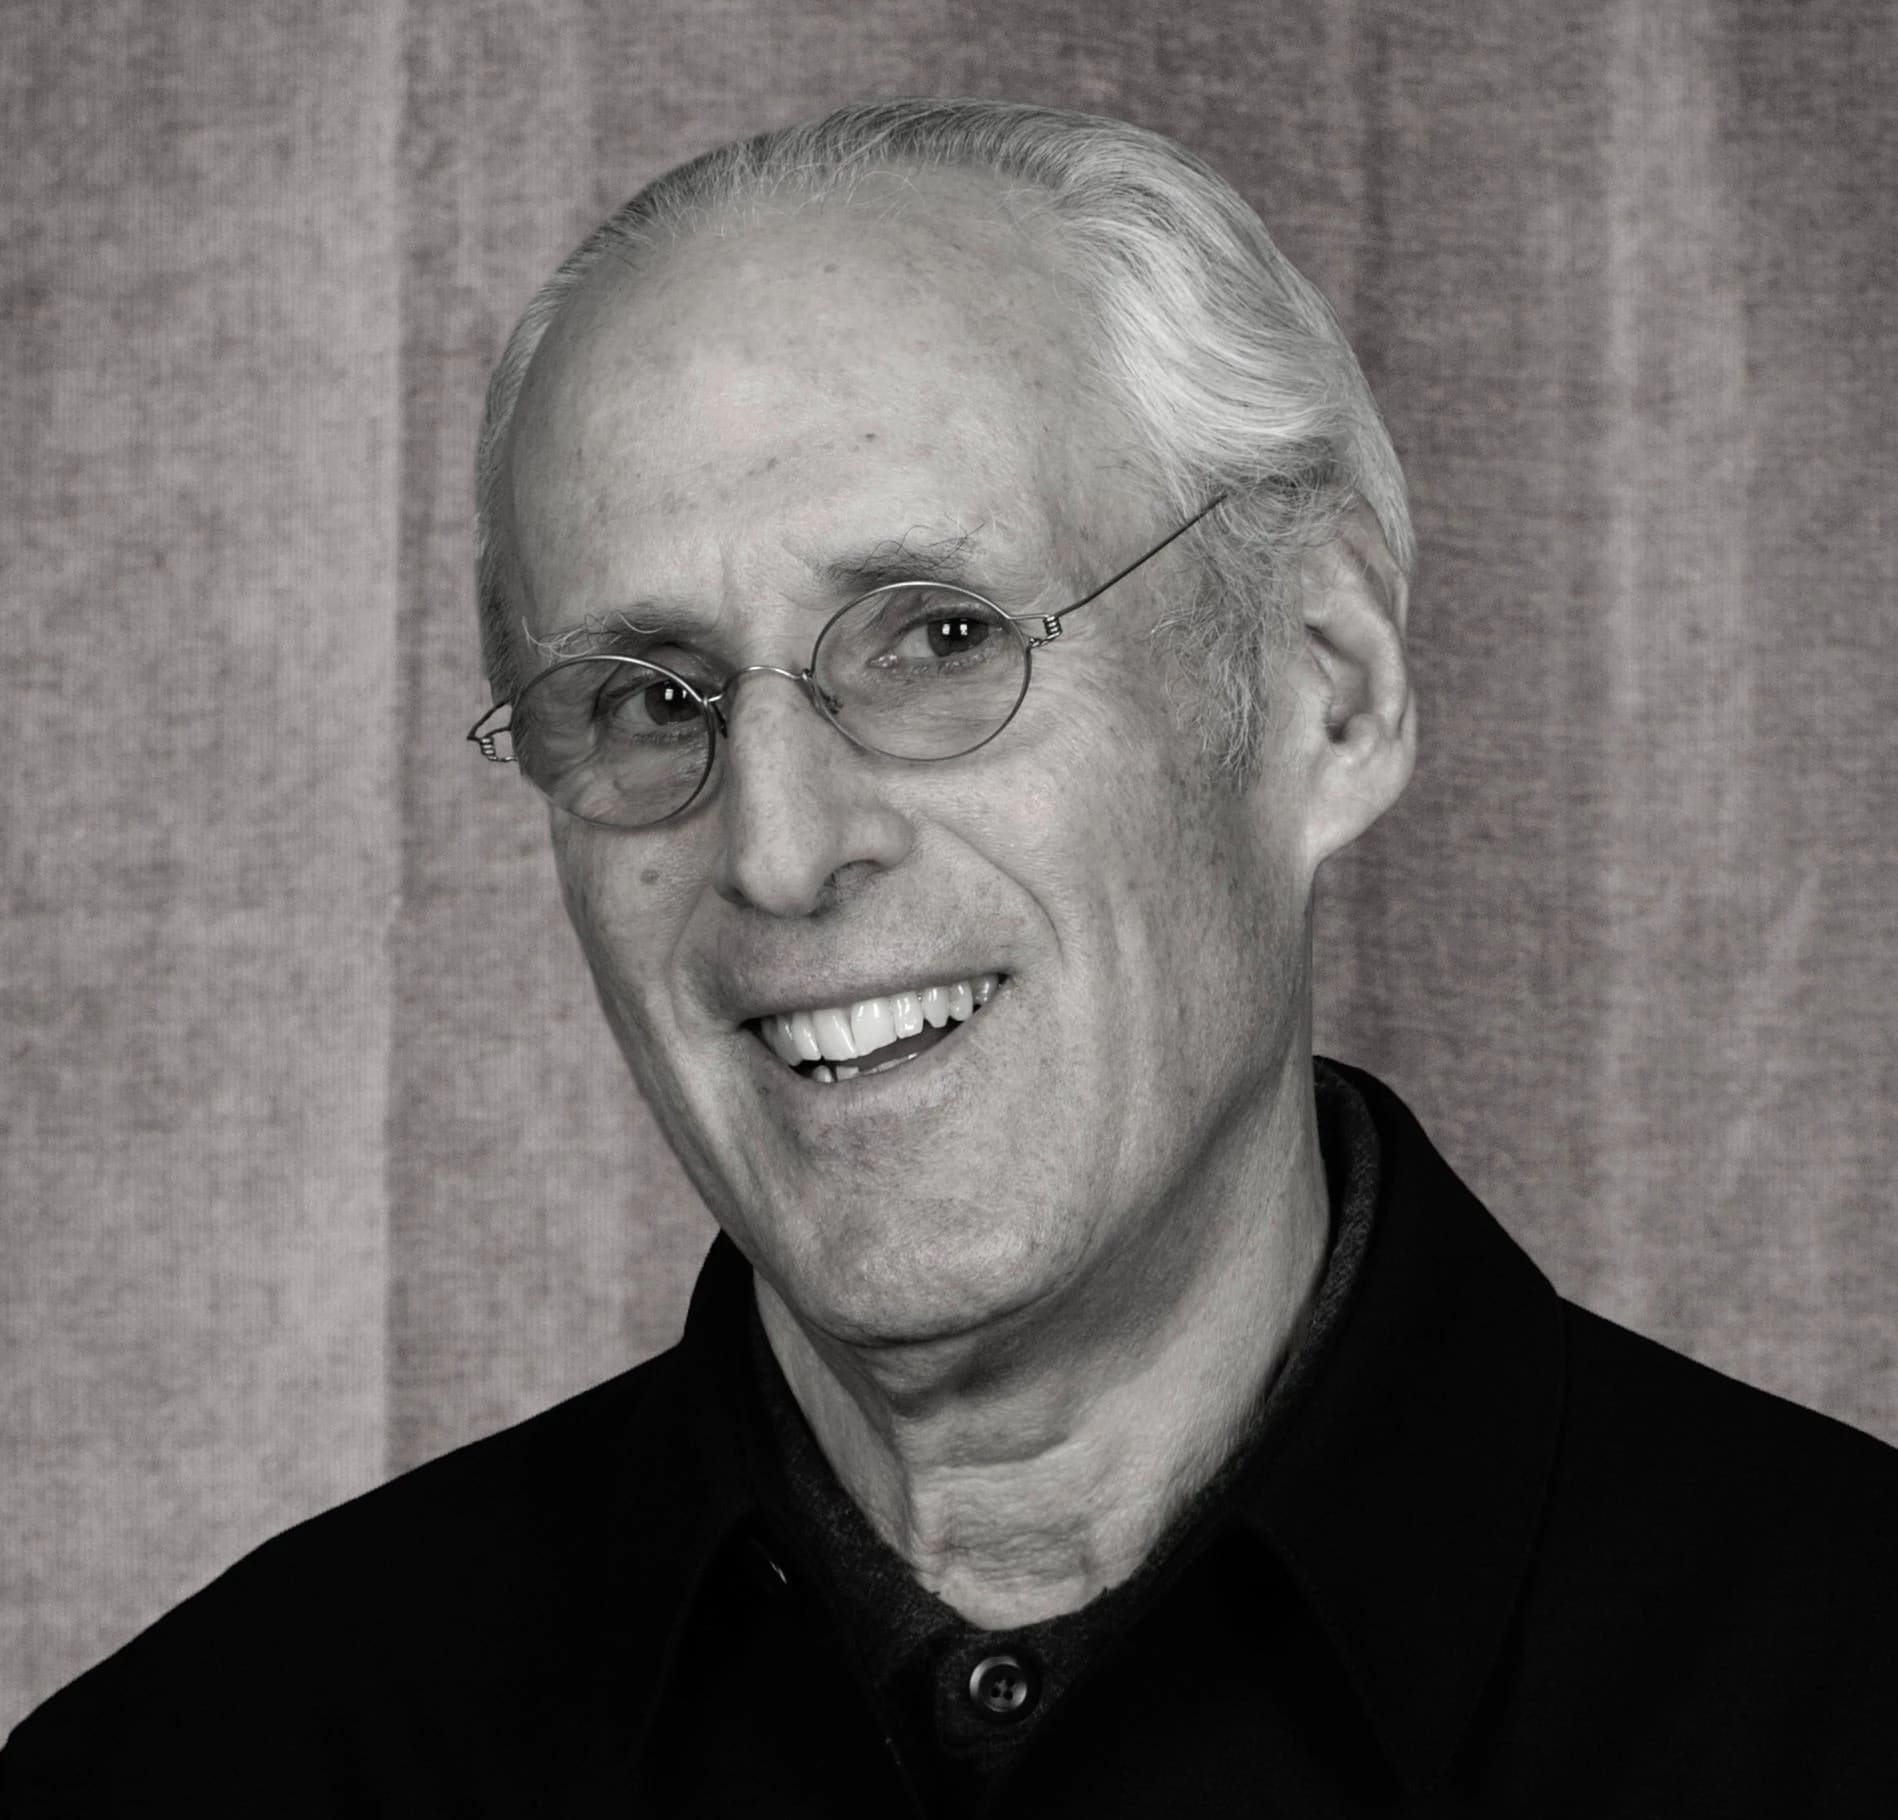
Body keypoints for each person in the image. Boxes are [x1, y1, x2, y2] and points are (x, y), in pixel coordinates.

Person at [5, 97, 1894, 1818]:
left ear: (1327, 695)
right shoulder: (200, 1775)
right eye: (652, 698)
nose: (779, 848)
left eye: (941, 640)